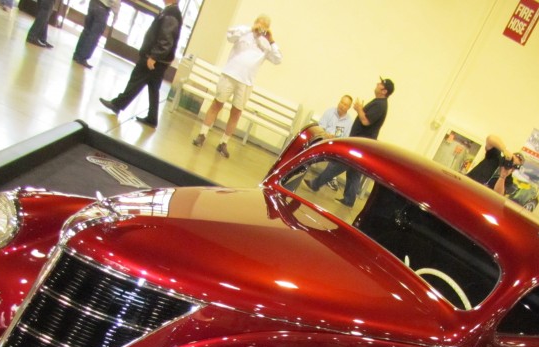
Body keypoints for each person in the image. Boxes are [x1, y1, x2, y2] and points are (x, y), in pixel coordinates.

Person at [191, 15, 282, 158]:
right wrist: (250, 29)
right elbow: (230, 36)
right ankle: (202, 134)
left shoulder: (266, 45)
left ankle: (224, 143)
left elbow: (277, 59)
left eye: (264, 26)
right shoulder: (244, 32)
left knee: (236, 112)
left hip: (246, 82)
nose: (261, 27)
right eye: (259, 23)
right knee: (217, 104)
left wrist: (271, 39)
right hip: (230, 74)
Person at [304, 77, 393, 207]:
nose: (377, 84)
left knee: (340, 164)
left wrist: (359, 109)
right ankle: (349, 199)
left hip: (361, 144)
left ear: (384, 90)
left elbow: (366, 121)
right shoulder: (379, 103)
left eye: (380, 84)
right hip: (361, 143)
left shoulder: (380, 105)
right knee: (354, 172)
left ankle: (316, 184)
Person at [98, 0, 182, 127]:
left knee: (136, 80)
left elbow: (166, 39)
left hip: (154, 58)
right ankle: (152, 118)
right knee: (153, 88)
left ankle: (117, 104)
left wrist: (154, 56)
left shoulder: (172, 13)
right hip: (160, 60)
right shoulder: (171, 12)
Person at [72, 0, 121, 69]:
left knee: (87, 30)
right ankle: (83, 57)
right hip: (103, 8)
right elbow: (115, 1)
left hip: (93, 3)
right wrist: (116, 14)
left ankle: (77, 54)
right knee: (94, 35)